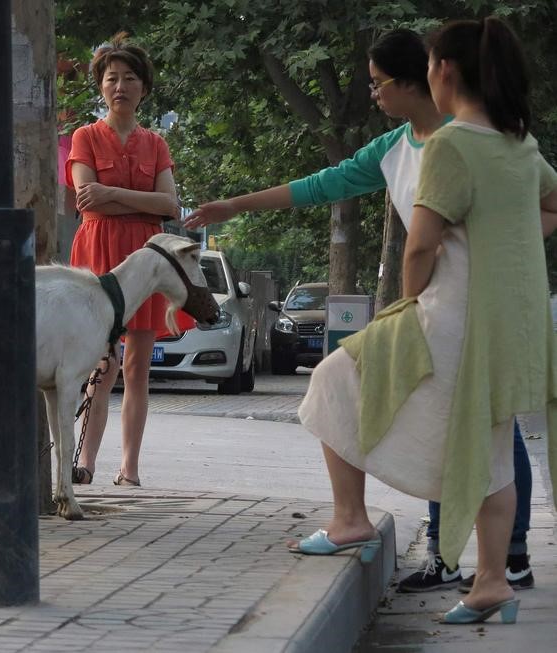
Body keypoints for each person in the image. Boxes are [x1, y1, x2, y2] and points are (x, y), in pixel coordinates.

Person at [183, 28, 556, 594]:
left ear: (425, 77)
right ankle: (458, 557)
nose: (374, 94)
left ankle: (502, 558)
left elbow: (438, 240)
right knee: (459, 419)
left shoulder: (476, 139)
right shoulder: (396, 147)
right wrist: (234, 205)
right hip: (436, 302)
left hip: (457, 307)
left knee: (478, 420)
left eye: (380, 84)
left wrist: (490, 255)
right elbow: (323, 185)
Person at [284, 17, 557, 625]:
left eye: (429, 65)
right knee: (488, 451)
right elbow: (551, 206)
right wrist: (500, 243)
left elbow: (420, 247)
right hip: (507, 322)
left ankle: (351, 519)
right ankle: (491, 583)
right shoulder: (520, 143)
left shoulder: (451, 144)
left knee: (333, 377)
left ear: (445, 72)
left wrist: (408, 302)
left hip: (450, 316)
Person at [66, 33, 182, 487]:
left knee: (138, 365)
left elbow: (170, 206)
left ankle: (129, 468)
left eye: (129, 78)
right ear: (101, 86)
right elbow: (84, 200)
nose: (120, 86)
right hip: (97, 250)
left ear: (143, 88)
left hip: (146, 257)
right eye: (112, 78)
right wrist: (142, 201)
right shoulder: (85, 136)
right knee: (101, 361)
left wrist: (112, 193)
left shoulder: (156, 144)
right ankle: (85, 462)